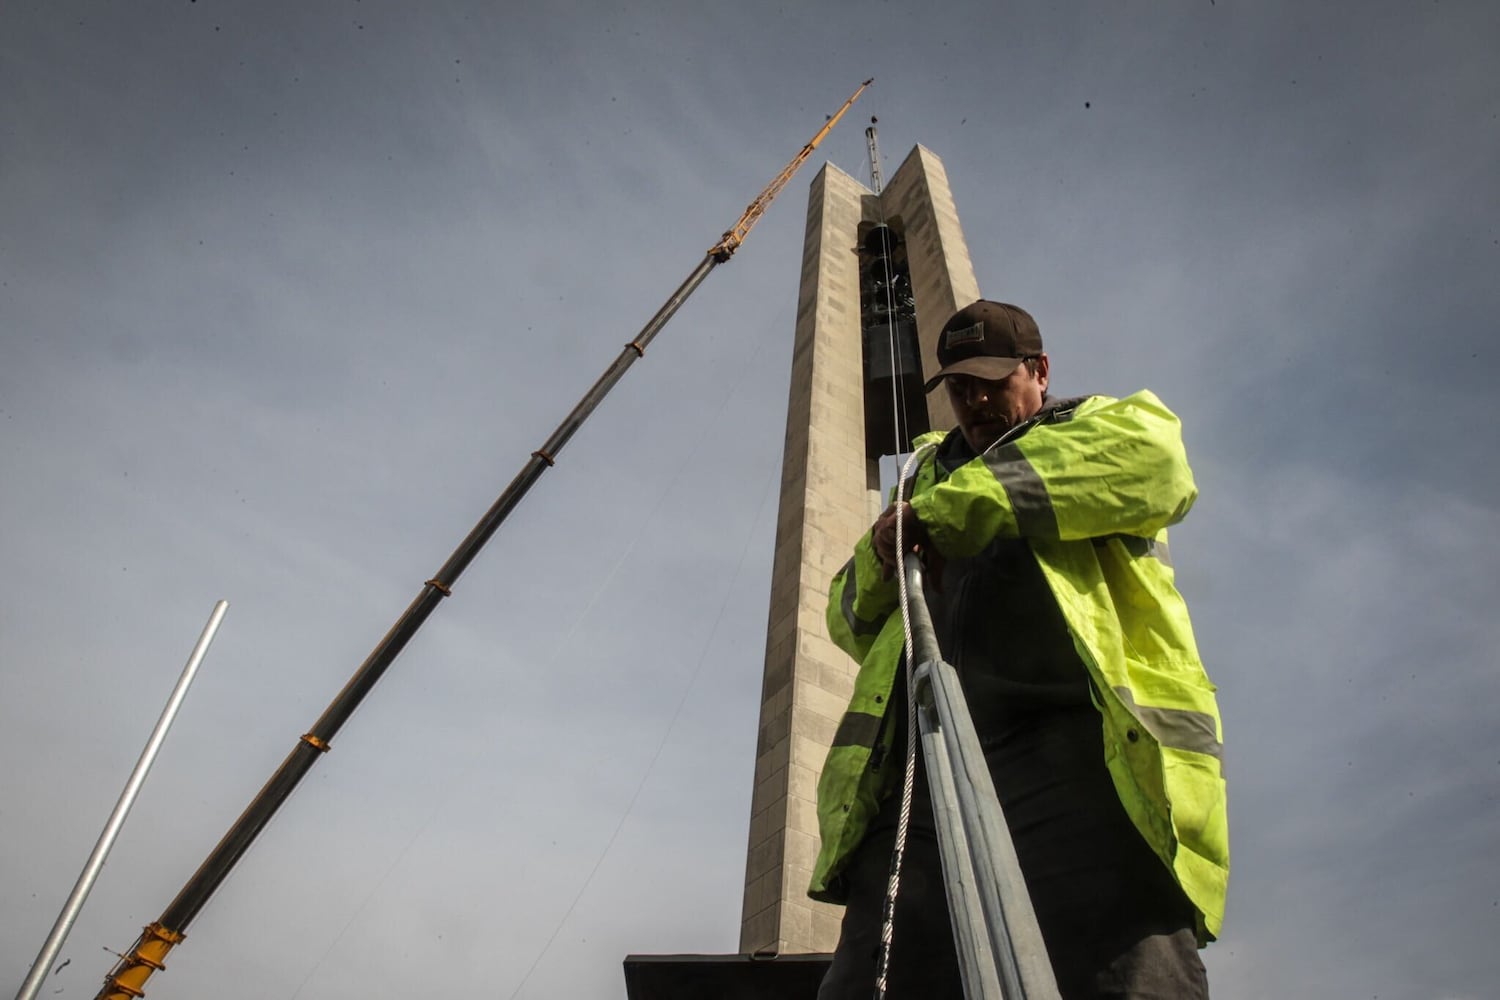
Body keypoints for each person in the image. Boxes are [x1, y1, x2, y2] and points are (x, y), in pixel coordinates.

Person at [811, 300, 1228, 999]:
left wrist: (946, 515)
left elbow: (1158, 468)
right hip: (927, 767)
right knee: (872, 980)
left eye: (989, 380)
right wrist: (885, 554)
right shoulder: (921, 479)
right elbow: (847, 618)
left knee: (1121, 970)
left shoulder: (1103, 429)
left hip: (1071, 754)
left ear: (1038, 371)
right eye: (958, 386)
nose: (972, 399)